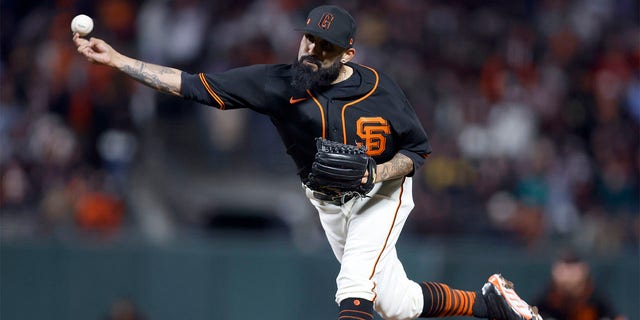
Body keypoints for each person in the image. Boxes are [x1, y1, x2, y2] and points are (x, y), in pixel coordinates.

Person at [73, 4, 542, 320]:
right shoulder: (277, 84)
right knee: (396, 303)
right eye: (308, 41)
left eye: (325, 47)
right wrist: (117, 60)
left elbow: (417, 152)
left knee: (352, 283)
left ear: (349, 53)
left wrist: (375, 173)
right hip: (327, 201)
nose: (312, 51)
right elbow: (189, 83)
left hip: (382, 193)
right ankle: (487, 302)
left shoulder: (380, 89)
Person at [535, 250, 626, 320]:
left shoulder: (594, 296)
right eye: (564, 271)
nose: (568, 277)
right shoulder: (548, 298)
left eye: (572, 272)